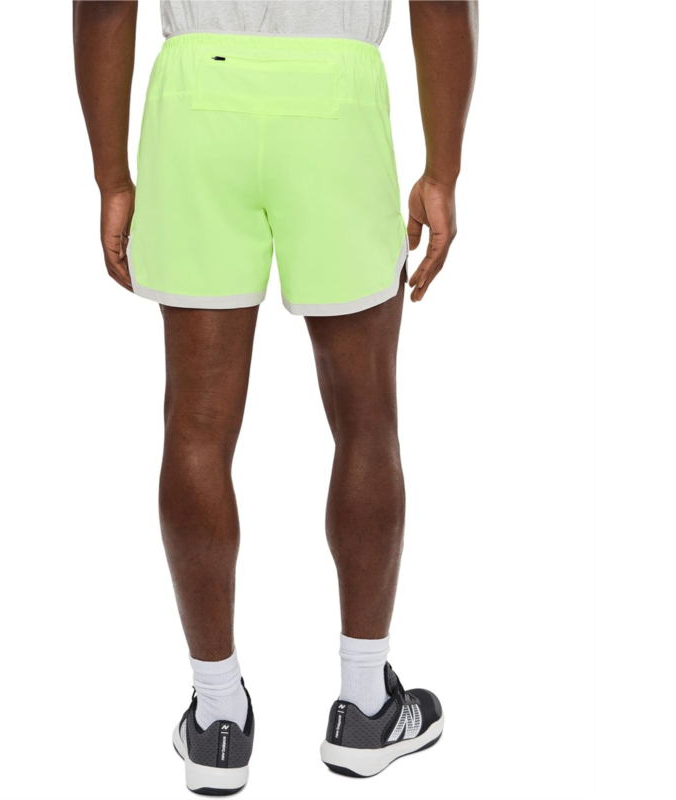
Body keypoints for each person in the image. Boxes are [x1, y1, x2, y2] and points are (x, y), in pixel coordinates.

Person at [74, 0, 477, 793]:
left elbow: (103, 6)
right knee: (367, 420)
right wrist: (443, 171)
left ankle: (217, 718)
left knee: (195, 427)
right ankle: (365, 706)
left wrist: (111, 176)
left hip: (197, 99)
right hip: (336, 97)